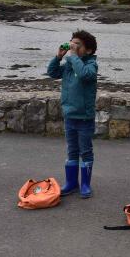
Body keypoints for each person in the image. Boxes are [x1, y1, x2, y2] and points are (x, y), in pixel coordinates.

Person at [47, 30, 98, 198]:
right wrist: (58, 57)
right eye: (71, 43)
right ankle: (71, 183)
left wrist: (73, 55)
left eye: (78, 45)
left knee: (85, 151)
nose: (73, 47)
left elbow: (84, 75)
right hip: (69, 115)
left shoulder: (91, 65)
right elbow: (53, 73)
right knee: (72, 151)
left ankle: (85, 184)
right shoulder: (69, 65)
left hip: (84, 117)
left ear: (88, 50)